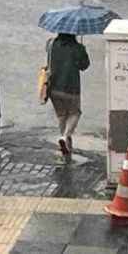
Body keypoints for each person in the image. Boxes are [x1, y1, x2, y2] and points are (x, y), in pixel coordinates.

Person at [46, 33, 90, 162]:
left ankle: (66, 146)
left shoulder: (50, 43)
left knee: (62, 115)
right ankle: (65, 137)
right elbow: (84, 66)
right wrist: (82, 50)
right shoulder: (78, 48)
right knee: (75, 113)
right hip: (71, 88)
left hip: (53, 87)